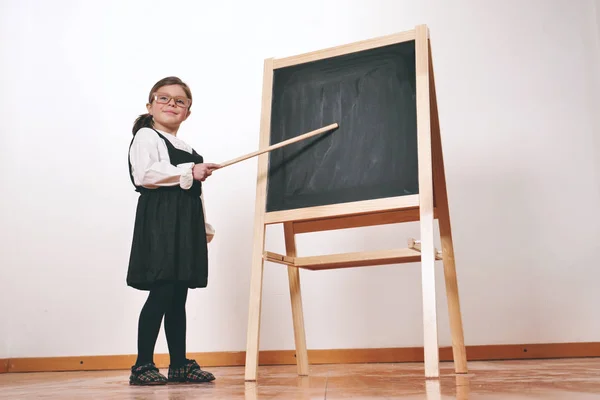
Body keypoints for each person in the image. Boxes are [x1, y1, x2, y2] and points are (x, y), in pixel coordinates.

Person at [126, 76, 220, 385]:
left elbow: (194, 191)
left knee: (178, 294)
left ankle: (179, 364)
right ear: (150, 105)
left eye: (180, 101)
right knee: (162, 289)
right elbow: (145, 174)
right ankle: (143, 365)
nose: (171, 104)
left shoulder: (189, 148)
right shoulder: (146, 136)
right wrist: (188, 171)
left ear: (188, 112)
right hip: (161, 223)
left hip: (186, 224)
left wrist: (202, 225)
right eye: (164, 98)